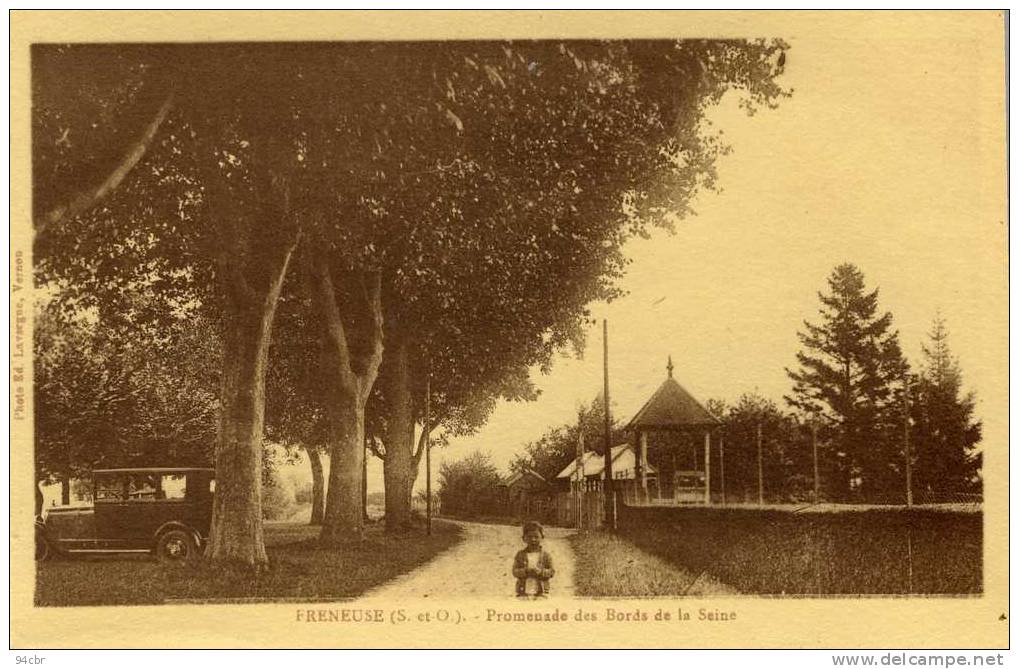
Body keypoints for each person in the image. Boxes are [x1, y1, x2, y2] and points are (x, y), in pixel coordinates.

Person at [512, 520, 555, 598]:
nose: (533, 540)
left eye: (536, 537)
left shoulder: (546, 555)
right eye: (529, 537)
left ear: (542, 537)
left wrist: (541, 572)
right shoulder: (520, 555)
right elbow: (515, 571)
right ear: (524, 538)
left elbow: (551, 572)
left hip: (541, 592)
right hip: (523, 591)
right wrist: (526, 571)